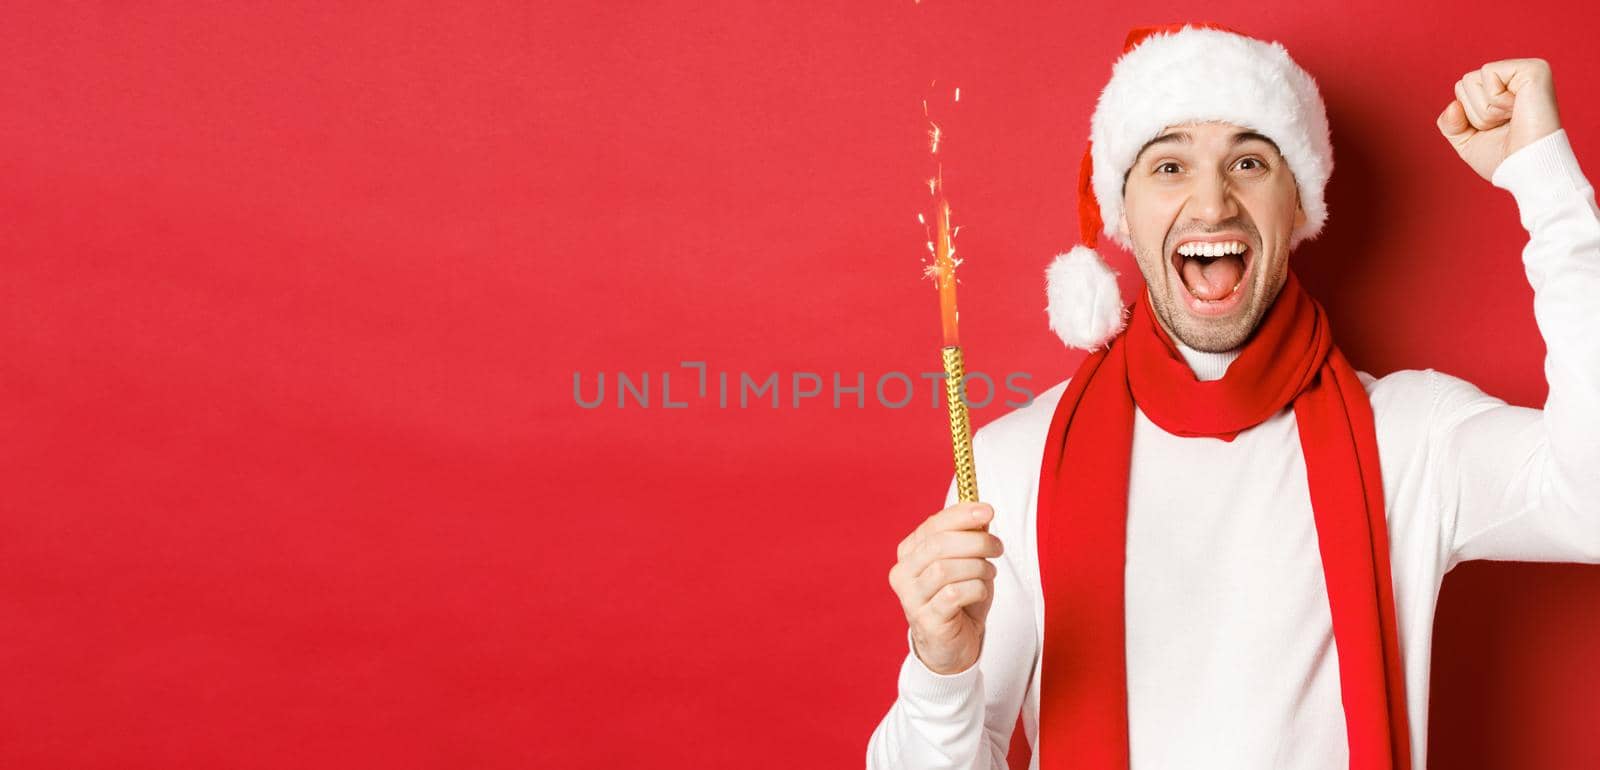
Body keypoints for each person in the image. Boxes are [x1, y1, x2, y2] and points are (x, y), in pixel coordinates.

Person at [866, 23, 1599, 770]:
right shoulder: (1015, 463)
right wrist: (941, 668)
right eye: (1169, 165)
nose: (1211, 205)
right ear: (1124, 213)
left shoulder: (1411, 437)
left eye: (1249, 161)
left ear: (1299, 204)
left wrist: (1546, 185)